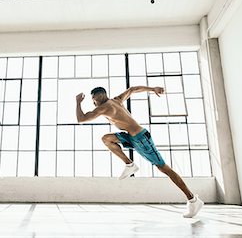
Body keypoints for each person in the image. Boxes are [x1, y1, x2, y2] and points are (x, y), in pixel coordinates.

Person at [76, 86, 203, 218]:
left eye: (93, 99)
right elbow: (132, 90)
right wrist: (152, 89)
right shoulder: (117, 100)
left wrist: (78, 102)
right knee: (107, 139)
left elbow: (81, 119)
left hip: (141, 139)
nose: (93, 103)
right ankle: (129, 164)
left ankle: (193, 200)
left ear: (100, 96)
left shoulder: (104, 107)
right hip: (132, 137)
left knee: (164, 168)